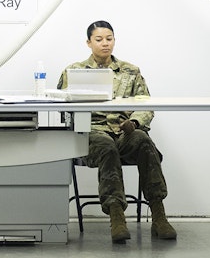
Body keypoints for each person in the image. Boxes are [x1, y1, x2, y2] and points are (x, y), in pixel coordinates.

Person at [57, 20, 177, 243]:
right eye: (99, 39)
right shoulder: (74, 72)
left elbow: (146, 105)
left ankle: (159, 214)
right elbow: (61, 106)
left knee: (143, 141)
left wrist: (135, 122)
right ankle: (116, 217)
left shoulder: (131, 71)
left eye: (109, 39)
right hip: (92, 134)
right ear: (88, 42)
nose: (105, 44)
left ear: (114, 40)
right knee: (106, 146)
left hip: (124, 132)